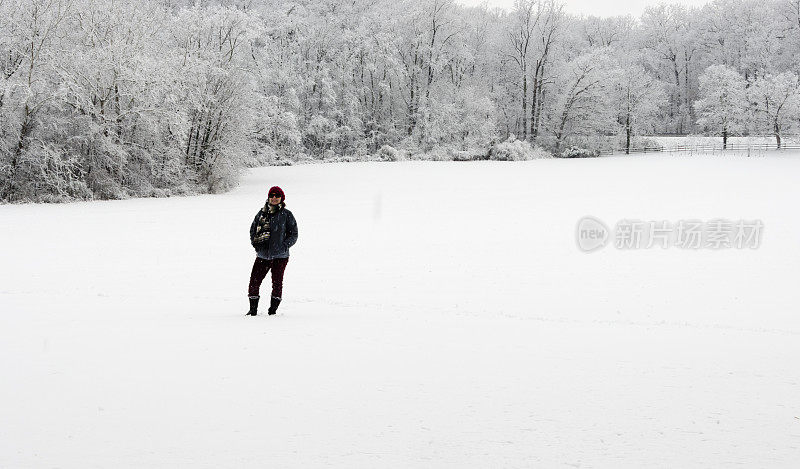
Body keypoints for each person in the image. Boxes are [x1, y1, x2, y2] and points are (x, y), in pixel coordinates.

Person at [246, 186, 298, 316]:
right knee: (254, 282)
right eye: (272, 195)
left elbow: (294, 234)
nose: (274, 198)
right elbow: (253, 230)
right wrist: (256, 245)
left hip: (280, 256)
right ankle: (253, 311)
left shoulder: (287, 214)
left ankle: (272, 311)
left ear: (281, 198)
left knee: (277, 283)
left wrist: (284, 246)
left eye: (277, 196)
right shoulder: (261, 213)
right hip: (263, 254)